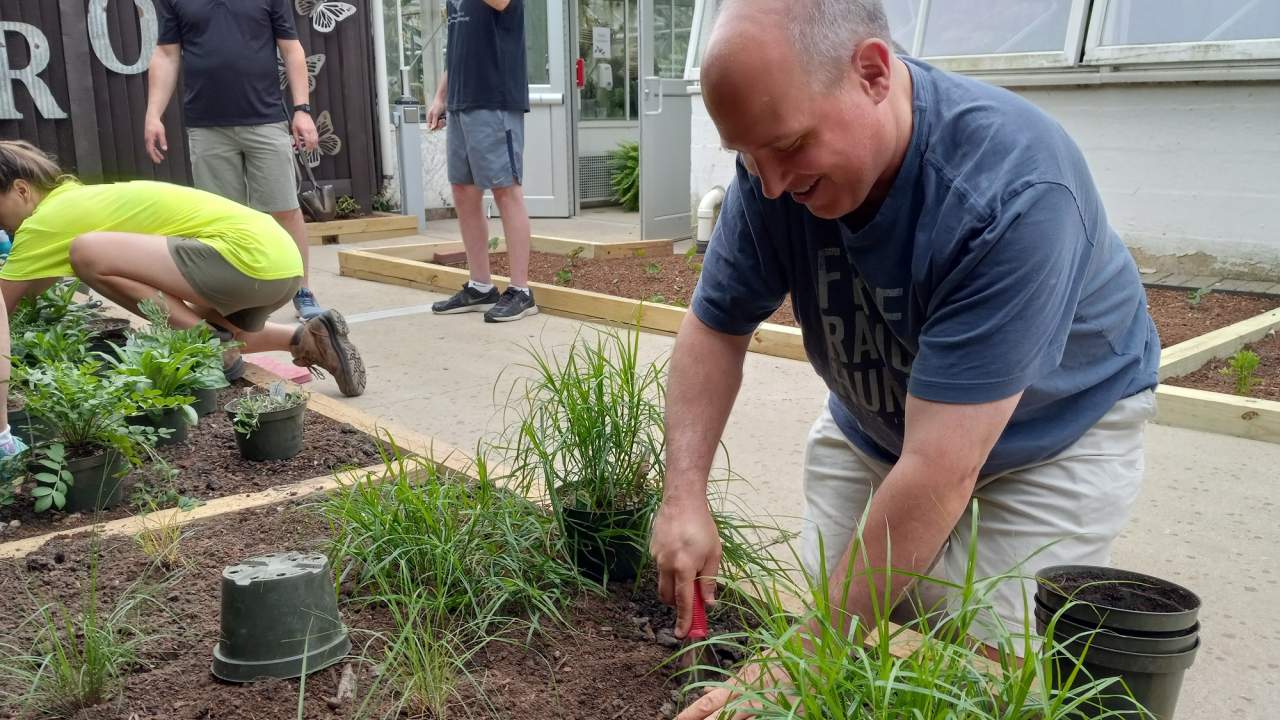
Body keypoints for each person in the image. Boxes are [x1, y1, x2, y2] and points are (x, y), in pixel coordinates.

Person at [649, 1, 1160, 717]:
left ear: (873, 73)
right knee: (844, 650)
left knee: (969, 680)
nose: (767, 185)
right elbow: (714, 328)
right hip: (876, 424)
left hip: (1051, 439)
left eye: (790, 145)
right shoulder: (772, 170)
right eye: (747, 156)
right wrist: (684, 494)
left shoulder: (1011, 191)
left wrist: (805, 654)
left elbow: (941, 467)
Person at [0, 140, 366, 401]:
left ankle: (206, 343)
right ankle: (307, 338)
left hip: (245, 260)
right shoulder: (73, 200)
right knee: (207, 331)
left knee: (86, 253)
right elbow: (30, 291)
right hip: (275, 261)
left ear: (21, 190)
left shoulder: (43, 224)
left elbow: (4, 306)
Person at [144, 0, 328, 321]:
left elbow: (292, 49)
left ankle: (302, 290)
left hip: (266, 119)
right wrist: (152, 115)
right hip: (206, 126)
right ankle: (235, 299)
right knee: (222, 220)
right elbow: (166, 54)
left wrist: (302, 109)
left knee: (284, 209)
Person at [425, 0, 539, 323]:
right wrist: (440, 96)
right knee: (463, 190)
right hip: (462, 100)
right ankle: (480, 286)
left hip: (495, 98)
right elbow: (457, 44)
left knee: (506, 190)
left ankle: (521, 291)